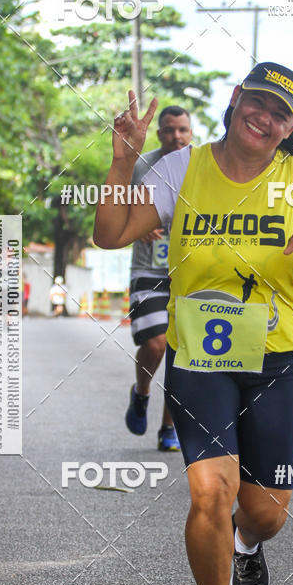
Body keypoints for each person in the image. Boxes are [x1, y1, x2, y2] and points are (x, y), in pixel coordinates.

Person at [94, 63, 293, 585]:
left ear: (290, 127)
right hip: (201, 355)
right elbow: (111, 233)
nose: (264, 118)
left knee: (264, 512)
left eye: (280, 114)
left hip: (280, 355)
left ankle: (246, 543)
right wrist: (122, 159)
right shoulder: (184, 168)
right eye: (257, 103)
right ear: (236, 102)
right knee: (210, 489)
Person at [124, 105, 193, 452]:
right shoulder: (141, 167)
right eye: (169, 130)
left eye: (182, 129)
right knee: (156, 344)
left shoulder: (203, 166)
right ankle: (141, 393)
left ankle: (169, 426)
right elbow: (115, 209)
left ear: (191, 133)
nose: (176, 137)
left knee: (183, 353)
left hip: (190, 273)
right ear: (159, 133)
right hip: (149, 269)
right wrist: (137, 227)